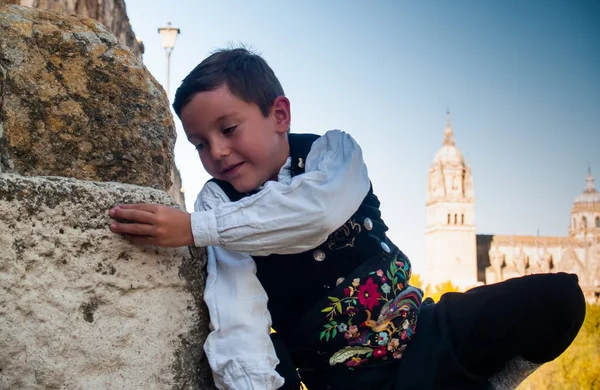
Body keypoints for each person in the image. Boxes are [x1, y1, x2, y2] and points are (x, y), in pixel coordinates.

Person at [109, 48, 586, 390]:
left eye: (228, 129)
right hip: (346, 375)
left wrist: (193, 229)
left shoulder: (331, 153)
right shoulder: (218, 204)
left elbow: (315, 212)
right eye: (199, 144)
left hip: (427, 332)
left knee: (559, 298)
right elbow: (238, 317)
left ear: (279, 114)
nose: (216, 152)